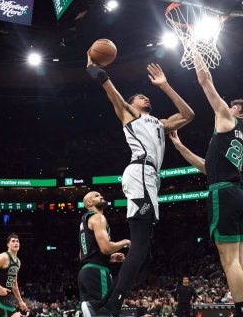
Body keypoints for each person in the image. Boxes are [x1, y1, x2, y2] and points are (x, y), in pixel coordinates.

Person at [86, 55, 195, 317]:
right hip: (140, 172)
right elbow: (110, 89)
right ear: (133, 104)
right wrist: (93, 68)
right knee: (140, 245)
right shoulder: (129, 113)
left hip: (150, 178)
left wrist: (165, 86)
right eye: (140, 97)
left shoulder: (160, 122)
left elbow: (189, 114)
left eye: (147, 97)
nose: (145, 98)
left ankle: (107, 305)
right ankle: (110, 307)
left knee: (142, 248)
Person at [168, 51, 243, 317]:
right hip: (238, 193)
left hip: (224, 194)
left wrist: (194, 47)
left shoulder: (229, 119)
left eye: (232, 105)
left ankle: (240, 312)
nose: (227, 106)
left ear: (239, 112)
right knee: (238, 257)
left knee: (228, 258)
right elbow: (207, 167)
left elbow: (205, 80)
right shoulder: (242, 137)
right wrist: (180, 146)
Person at [78, 191, 130, 316]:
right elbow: (106, 248)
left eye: (101, 194)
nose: (101, 196)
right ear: (89, 202)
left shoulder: (84, 220)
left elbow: (82, 254)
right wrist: (125, 242)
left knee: (99, 311)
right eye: (96, 195)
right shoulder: (98, 217)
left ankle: (90, 308)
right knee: (106, 310)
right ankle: (91, 308)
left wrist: (109, 258)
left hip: (85, 272)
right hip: (98, 271)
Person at [0, 233, 28, 317]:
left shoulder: (18, 262)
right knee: (16, 315)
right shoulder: (3, 257)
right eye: (13, 241)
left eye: (17, 241)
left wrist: (20, 301)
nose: (16, 243)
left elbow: (14, 283)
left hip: (6, 296)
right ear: (8, 244)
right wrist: (0, 288)